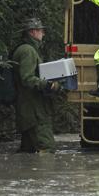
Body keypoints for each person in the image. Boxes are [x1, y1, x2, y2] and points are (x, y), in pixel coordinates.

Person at [12, 18, 61, 153]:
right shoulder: (28, 51)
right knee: (47, 149)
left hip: (29, 109)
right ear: (32, 32)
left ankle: (30, 174)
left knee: (28, 152)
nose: (43, 33)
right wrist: (48, 85)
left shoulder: (27, 49)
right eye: (41, 30)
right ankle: (44, 173)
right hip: (35, 111)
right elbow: (27, 78)